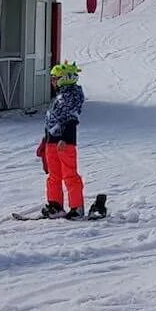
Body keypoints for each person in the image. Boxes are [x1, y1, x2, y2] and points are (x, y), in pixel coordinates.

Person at [38, 62, 87, 219]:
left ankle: (76, 207)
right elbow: (52, 120)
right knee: (54, 175)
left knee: (69, 174)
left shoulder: (72, 96)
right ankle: (55, 205)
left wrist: (65, 138)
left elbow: (72, 119)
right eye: (52, 78)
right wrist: (45, 140)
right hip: (52, 141)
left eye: (55, 78)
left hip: (64, 143)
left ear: (65, 78)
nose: (52, 81)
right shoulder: (58, 97)